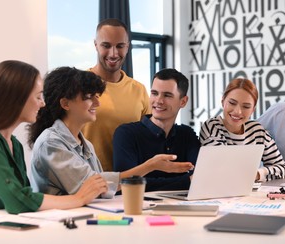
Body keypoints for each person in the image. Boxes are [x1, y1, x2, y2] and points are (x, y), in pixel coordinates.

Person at [29, 67, 192, 196]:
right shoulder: (51, 143)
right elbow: (94, 186)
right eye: (88, 97)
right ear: (65, 103)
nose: (97, 103)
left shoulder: (86, 145)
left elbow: (105, 190)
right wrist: (149, 166)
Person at [0, 60, 107, 214]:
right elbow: (17, 200)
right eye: (38, 97)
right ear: (16, 98)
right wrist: (79, 198)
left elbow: (26, 197)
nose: (43, 104)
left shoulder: (15, 145)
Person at [113, 68, 200, 192]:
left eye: (167, 95)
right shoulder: (126, 134)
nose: (158, 101)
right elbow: (126, 184)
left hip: (181, 207)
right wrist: (186, 181)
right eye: (154, 93)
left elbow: (199, 178)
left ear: (183, 101)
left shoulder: (187, 135)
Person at [82, 18, 150, 171]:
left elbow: (148, 141)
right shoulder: (77, 85)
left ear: (128, 47)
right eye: (106, 46)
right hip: (86, 182)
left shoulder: (139, 90)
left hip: (129, 183)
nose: (113, 54)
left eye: (120, 46)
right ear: (95, 45)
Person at [199, 78, 285, 182]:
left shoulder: (257, 131)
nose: (238, 111)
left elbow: (282, 168)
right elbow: (224, 169)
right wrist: (248, 173)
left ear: (252, 110)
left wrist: (258, 174)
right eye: (232, 103)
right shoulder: (212, 126)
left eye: (246, 106)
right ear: (223, 102)